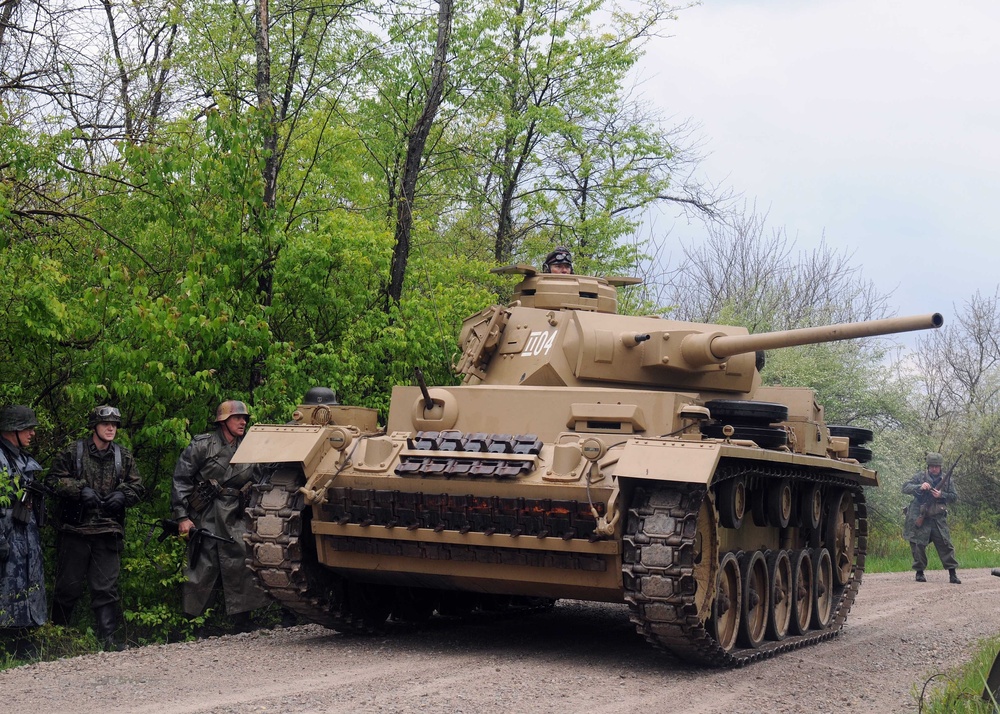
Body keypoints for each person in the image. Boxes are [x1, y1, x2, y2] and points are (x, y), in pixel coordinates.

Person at [46, 405, 145, 650]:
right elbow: (51, 481)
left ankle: (108, 641)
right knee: (67, 587)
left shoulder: (124, 456)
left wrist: (123, 495)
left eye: (115, 424)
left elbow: (138, 487)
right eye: (105, 424)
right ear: (94, 426)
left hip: (108, 531)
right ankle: (57, 640)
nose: (111, 428)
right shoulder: (74, 452)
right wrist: (79, 490)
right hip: (75, 530)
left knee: (106, 588)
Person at [170, 400, 269, 628]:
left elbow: (262, 477)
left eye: (245, 418)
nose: (243, 422)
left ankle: (243, 621)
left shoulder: (250, 447)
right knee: (202, 566)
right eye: (237, 418)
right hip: (205, 512)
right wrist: (182, 517)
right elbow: (181, 480)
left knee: (242, 562)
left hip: (237, 514)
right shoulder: (203, 445)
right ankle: (194, 623)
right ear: (223, 421)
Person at [0, 405, 47, 658]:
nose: (32, 433)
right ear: (12, 429)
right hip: (7, 539)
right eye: (27, 428)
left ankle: (24, 652)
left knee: (26, 595)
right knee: (6, 596)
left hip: (25, 539)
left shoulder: (21, 458)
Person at [902, 452, 960, 584]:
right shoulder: (919, 477)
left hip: (937, 519)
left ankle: (952, 574)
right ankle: (919, 572)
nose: (934, 469)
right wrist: (919, 486)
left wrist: (941, 495)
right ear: (928, 466)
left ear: (940, 467)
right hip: (920, 515)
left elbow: (954, 496)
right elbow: (905, 487)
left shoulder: (947, 480)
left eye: (937, 466)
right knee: (917, 545)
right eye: (932, 466)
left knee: (946, 545)